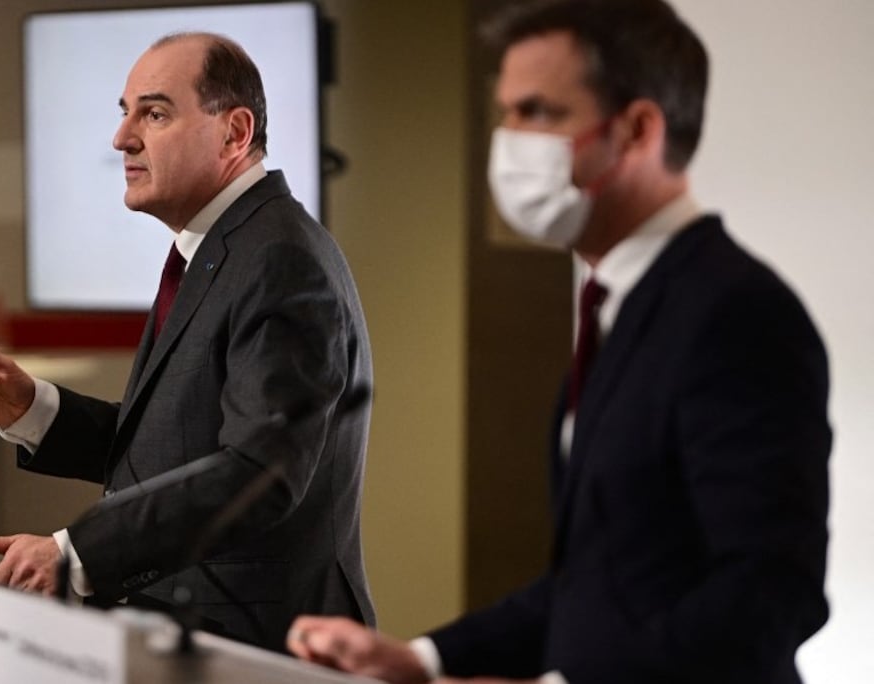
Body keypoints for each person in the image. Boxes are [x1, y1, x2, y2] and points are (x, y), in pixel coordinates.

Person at [288, 0, 831, 682]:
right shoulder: (618, 307)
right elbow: (593, 585)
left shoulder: (736, 313)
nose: (509, 139)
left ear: (636, 131)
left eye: (538, 112)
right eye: (507, 111)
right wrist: (422, 659)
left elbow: (768, 597)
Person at [0, 32, 375, 652]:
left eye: (154, 113)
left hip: (267, 648)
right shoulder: (221, 248)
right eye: (125, 113)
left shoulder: (279, 259)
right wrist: (33, 411)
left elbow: (259, 472)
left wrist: (75, 553)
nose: (122, 138)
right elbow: (180, 445)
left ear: (233, 133)